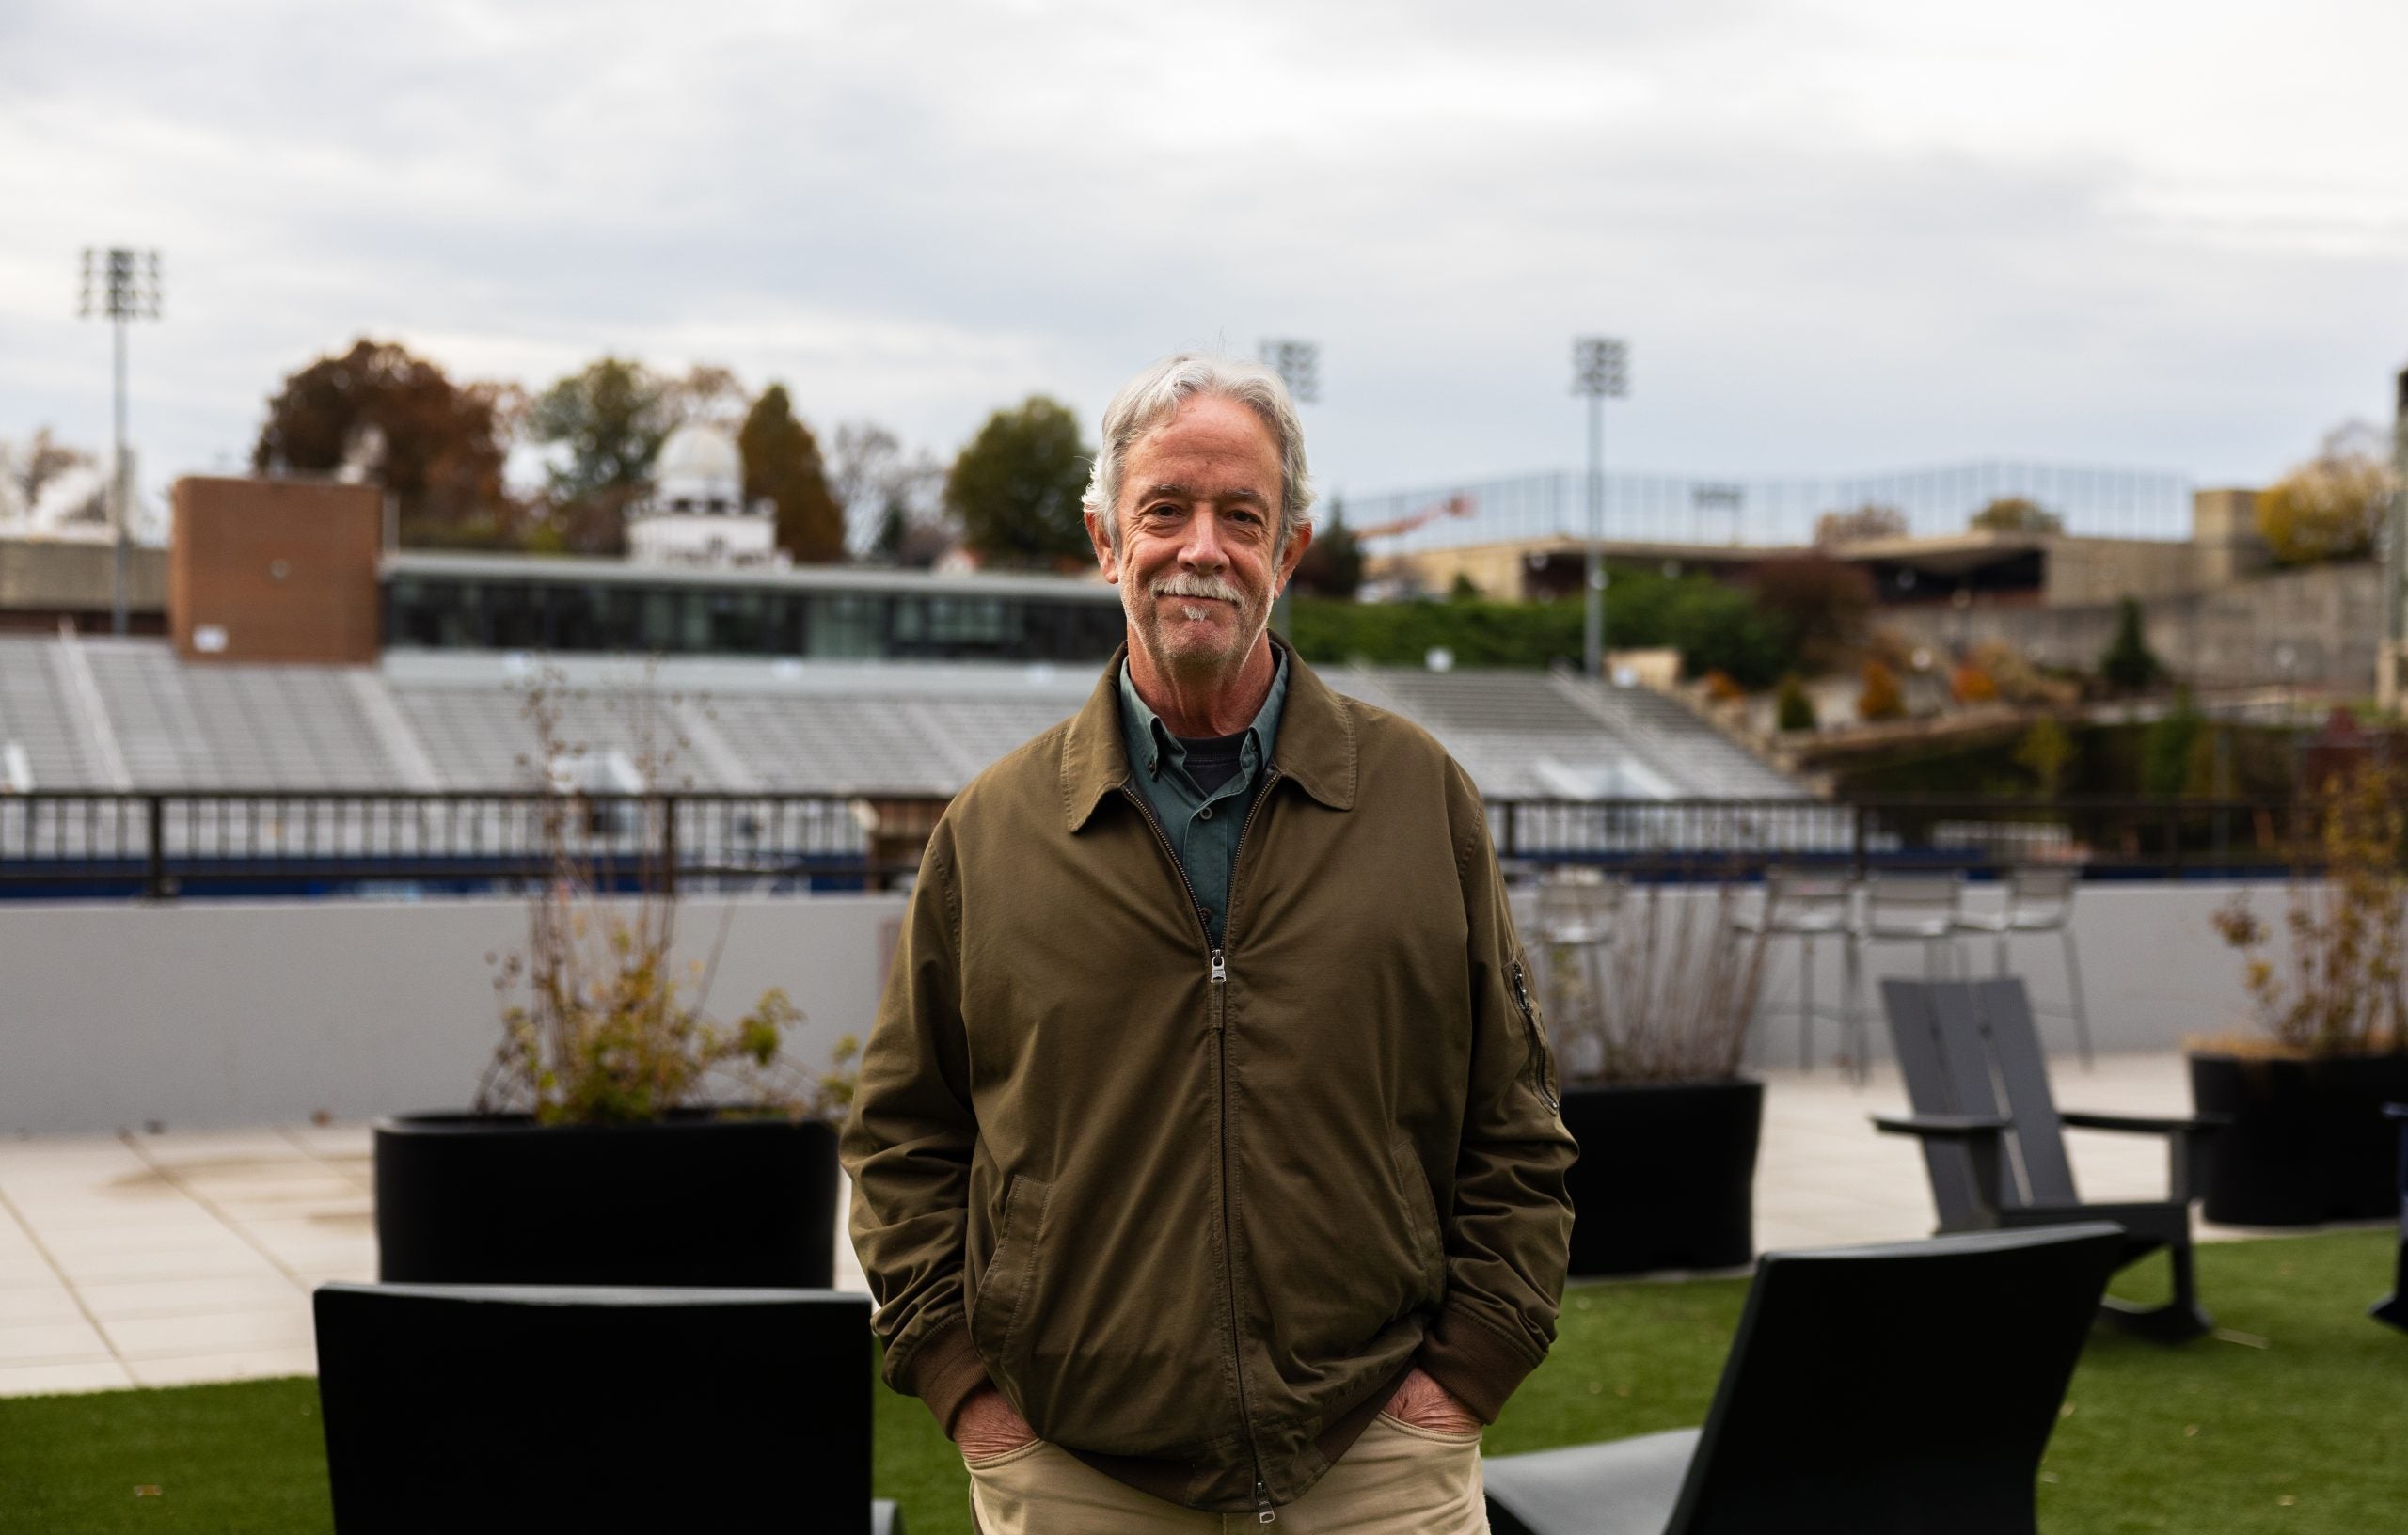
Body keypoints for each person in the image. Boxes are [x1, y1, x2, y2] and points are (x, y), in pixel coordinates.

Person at [841, 353, 1575, 1532]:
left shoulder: (1415, 796)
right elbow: (901, 1134)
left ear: (1288, 550)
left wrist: (1465, 1376)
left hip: (1375, 1461)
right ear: (1104, 539)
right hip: (1077, 1473)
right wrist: (965, 1387)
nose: (1201, 548)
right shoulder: (993, 829)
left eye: (1243, 517)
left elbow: (1514, 1115)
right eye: (1164, 511)